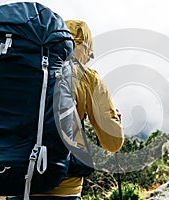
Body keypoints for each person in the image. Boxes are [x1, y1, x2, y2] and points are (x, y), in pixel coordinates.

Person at [7, 20, 124, 200]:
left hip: (16, 183)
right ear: (84, 49)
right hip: (64, 187)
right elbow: (113, 143)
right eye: (89, 54)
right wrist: (114, 122)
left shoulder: (24, 70)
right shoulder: (87, 77)